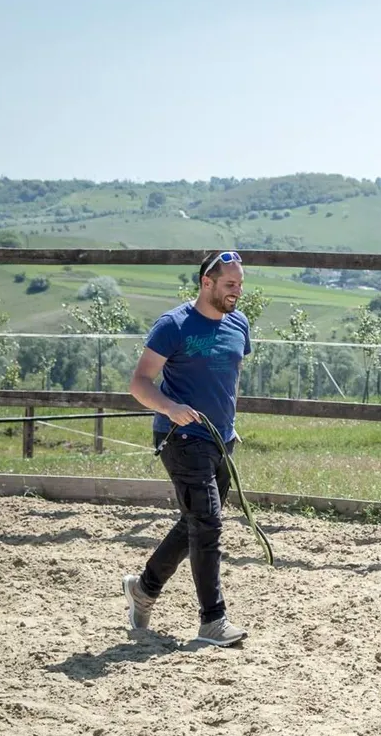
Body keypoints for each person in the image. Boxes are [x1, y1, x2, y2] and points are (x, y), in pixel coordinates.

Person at [122, 250, 252, 646]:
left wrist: (229, 426)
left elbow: (228, 380)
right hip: (180, 438)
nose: (237, 292)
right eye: (230, 285)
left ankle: (144, 588)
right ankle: (213, 620)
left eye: (240, 285)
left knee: (194, 522)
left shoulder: (240, 324)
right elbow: (140, 382)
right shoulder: (173, 326)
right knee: (209, 524)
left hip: (220, 441)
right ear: (206, 283)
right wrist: (171, 407)